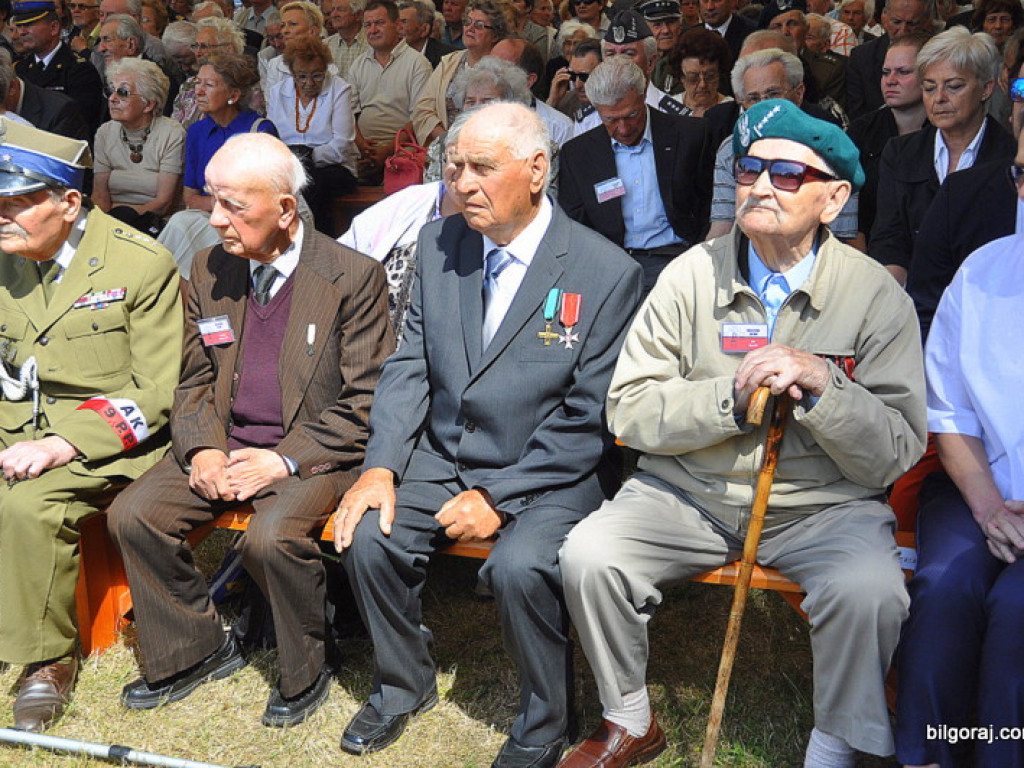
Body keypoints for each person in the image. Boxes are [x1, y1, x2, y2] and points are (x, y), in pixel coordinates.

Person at [558, 98, 927, 768]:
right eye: (750, 167)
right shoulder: (689, 274)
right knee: (591, 554)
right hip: (688, 491)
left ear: (834, 197)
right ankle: (630, 719)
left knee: (870, 589)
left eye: (787, 174)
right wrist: (727, 399)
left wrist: (824, 385)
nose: (759, 184)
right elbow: (629, 409)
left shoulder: (877, 296)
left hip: (825, 505)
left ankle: (836, 740)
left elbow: (897, 449)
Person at [332, 102, 644, 768]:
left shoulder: (604, 271)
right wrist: (382, 464)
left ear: (537, 171)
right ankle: (402, 683)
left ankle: (544, 720)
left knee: (521, 566)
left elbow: (591, 415)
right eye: (453, 168)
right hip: (445, 452)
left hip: (550, 469)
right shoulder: (440, 243)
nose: (462, 183)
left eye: (481, 168)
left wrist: (499, 496)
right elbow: (409, 364)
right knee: (368, 533)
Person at [107, 132, 393, 729]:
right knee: (134, 514)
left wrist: (283, 461)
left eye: (234, 205)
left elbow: (364, 402)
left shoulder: (351, 277)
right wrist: (205, 449)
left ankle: (307, 666)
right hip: (226, 441)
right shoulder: (210, 268)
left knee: (270, 538)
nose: (215, 220)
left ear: (286, 209)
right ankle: (196, 646)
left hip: (314, 453)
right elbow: (191, 381)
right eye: (213, 201)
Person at [0, 118, 182, 734]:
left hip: (107, 443)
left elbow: (155, 392)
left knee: (31, 504)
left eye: (15, 203)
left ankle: (46, 660)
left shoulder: (141, 263)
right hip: (14, 428)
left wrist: (60, 443)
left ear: (70, 201)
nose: (1, 217)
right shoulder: (6, 257)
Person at [894, 135, 1024, 768]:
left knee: (1016, 605)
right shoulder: (983, 271)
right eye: (1023, 175)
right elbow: (948, 410)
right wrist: (990, 508)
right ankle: (928, 757)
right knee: (945, 587)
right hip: (977, 486)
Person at [870, 26, 1015, 285]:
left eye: (954, 86)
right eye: (928, 87)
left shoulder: (1011, 157)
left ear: (986, 89)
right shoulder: (900, 152)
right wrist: (896, 300)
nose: (939, 98)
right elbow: (889, 239)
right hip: (913, 299)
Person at [559, 57, 713, 294]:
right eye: (610, 119)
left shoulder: (691, 135)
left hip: (679, 259)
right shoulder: (578, 154)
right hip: (612, 267)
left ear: (643, 96)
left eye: (631, 115)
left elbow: (709, 205)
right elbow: (575, 225)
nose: (623, 128)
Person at [705, 44, 862, 244]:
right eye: (753, 98)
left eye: (773, 94)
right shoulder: (731, 148)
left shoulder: (829, 146)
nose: (765, 106)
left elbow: (844, 237)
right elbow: (722, 229)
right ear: (741, 102)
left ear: (799, 93)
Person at [159, 53, 277, 277]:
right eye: (198, 83)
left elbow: (259, 199)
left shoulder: (259, 131)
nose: (199, 91)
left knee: (194, 229)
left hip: (249, 221)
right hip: (210, 215)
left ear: (233, 95)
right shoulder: (196, 132)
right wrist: (221, 204)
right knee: (180, 222)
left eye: (209, 85)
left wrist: (219, 204)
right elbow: (190, 198)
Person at [267, 36, 357, 236]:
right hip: (287, 167)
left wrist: (304, 156)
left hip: (332, 167)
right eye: (301, 76)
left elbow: (341, 147)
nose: (309, 83)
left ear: (326, 71)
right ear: (292, 73)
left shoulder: (339, 89)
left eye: (317, 76)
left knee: (309, 182)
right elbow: (272, 140)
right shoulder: (277, 92)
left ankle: (306, 239)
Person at [847, 30, 928, 243]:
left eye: (903, 72)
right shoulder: (860, 130)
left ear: (928, 76)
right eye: (885, 72)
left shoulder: (944, 132)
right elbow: (848, 202)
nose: (890, 81)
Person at [93, 57, 184, 235]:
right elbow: (99, 196)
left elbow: (163, 203)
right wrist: (104, 225)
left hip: (154, 223)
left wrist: (121, 223)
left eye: (123, 93)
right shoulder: (105, 132)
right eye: (111, 91)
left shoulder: (171, 134)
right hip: (110, 221)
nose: (112, 98)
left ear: (148, 104)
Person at [346, 0, 430, 184]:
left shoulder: (417, 64)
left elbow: (420, 117)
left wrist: (389, 149)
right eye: (367, 25)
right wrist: (362, 146)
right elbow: (348, 113)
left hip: (404, 151)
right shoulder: (358, 65)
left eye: (379, 23)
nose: (373, 30)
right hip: (362, 152)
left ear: (398, 25)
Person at [411, 0, 512, 144]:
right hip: (445, 146)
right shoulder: (448, 62)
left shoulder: (503, 69)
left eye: (479, 25)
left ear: (495, 35)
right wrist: (446, 139)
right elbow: (423, 108)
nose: (470, 28)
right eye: (467, 22)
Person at [11, 0, 102, 132]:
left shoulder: (79, 70)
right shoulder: (20, 69)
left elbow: (79, 124)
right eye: (19, 26)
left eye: (29, 24)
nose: (22, 32)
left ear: (54, 28)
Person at [846, 0, 931, 119]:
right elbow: (857, 114)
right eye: (896, 22)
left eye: (912, 24)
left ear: (926, 21)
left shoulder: (940, 54)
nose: (903, 30)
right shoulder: (861, 57)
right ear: (884, 17)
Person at [666, 26, 732, 116]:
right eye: (693, 78)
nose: (702, 85)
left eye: (710, 76)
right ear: (681, 76)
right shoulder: (668, 110)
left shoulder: (732, 111)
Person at [639, 0, 684, 94]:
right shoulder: (638, 60)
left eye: (671, 23)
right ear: (645, 29)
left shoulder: (690, 58)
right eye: (657, 25)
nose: (665, 30)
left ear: (680, 26)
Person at [399, 0, 457, 67]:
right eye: (397, 22)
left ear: (425, 29)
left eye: (404, 22)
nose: (397, 27)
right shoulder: (392, 53)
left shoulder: (449, 58)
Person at [700, 0, 755, 66]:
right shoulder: (688, 36)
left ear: (733, 2)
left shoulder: (752, 34)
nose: (709, 7)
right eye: (705, 0)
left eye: (716, 1)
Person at [325, 0, 368, 80]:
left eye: (340, 10)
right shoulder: (325, 46)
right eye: (333, 10)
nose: (334, 15)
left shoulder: (372, 44)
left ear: (358, 15)